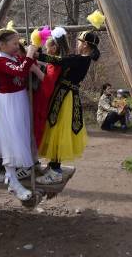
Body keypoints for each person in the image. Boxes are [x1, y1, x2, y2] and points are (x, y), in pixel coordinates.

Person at [36, 30, 101, 185]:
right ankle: (53, 166)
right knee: (56, 130)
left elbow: (57, 61)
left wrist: (37, 55)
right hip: (65, 94)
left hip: (65, 97)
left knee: (58, 130)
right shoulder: (81, 59)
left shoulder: (80, 59)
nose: (77, 43)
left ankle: (55, 172)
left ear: (85, 45)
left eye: (79, 41)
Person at [0, 29, 37, 200]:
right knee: (10, 141)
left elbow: (26, 65)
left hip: (18, 100)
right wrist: (29, 55)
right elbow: (20, 71)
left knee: (1, 138)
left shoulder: (14, 57)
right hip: (8, 103)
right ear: (2, 45)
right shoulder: (1, 61)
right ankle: (13, 182)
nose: (17, 45)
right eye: (14, 43)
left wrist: (33, 56)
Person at [33, 27, 69, 147]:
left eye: (47, 48)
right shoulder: (60, 60)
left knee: (39, 121)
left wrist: (35, 69)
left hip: (45, 95)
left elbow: (49, 81)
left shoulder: (56, 62)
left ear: (54, 48)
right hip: (48, 92)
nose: (46, 50)